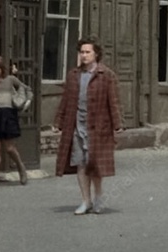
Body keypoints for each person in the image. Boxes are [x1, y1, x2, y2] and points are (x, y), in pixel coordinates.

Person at [53, 37, 123, 215]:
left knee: (95, 165)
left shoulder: (106, 75)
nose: (84, 56)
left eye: (87, 52)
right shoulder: (73, 75)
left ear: (96, 54)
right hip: (77, 125)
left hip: (98, 127)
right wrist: (58, 122)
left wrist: (117, 124)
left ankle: (98, 198)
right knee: (80, 163)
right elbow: (66, 100)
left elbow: (113, 101)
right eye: (82, 52)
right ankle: (86, 201)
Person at [0, 56, 30, 187]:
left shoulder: (11, 80)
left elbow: (26, 89)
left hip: (8, 113)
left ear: (2, 69)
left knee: (9, 147)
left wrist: (26, 102)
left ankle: (21, 167)